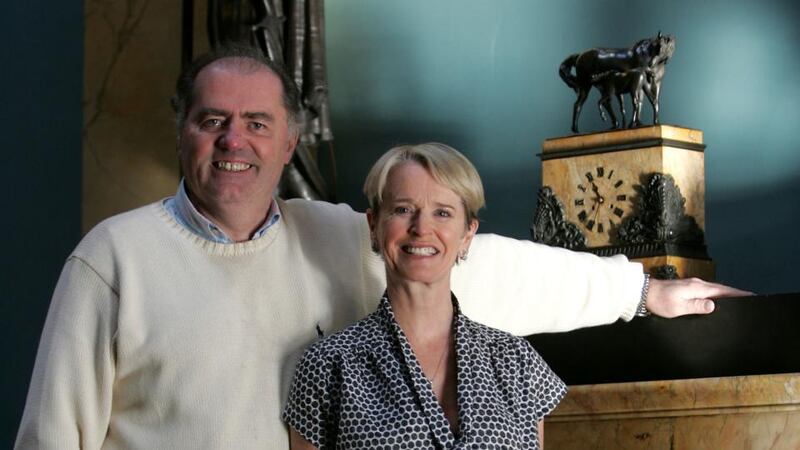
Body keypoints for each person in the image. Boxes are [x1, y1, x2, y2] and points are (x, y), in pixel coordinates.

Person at [15, 45, 749, 449]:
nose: (234, 141)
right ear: (182, 132)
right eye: (212, 120)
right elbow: (50, 438)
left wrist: (640, 291)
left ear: (290, 141)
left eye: (258, 123)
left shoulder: (332, 233)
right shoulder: (112, 259)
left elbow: (476, 261)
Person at [284, 143, 567, 449]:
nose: (422, 228)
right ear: (374, 226)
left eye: (442, 213)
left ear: (467, 234)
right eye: (403, 209)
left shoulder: (517, 362)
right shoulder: (328, 365)